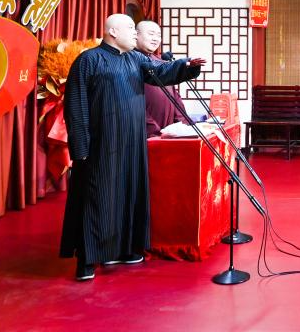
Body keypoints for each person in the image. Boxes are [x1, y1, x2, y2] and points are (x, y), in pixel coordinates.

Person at [60, 14, 205, 281]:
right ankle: (89, 258)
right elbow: (76, 107)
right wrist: (80, 148)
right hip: (101, 144)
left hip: (132, 142)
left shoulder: (136, 59)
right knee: (98, 199)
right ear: (113, 32)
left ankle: (126, 248)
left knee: (129, 195)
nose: (135, 34)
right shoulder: (89, 60)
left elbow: (162, 72)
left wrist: (186, 67)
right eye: (130, 28)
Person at [135, 20, 194, 138]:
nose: (155, 39)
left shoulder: (160, 62)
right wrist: (154, 131)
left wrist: (184, 124)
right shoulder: (129, 63)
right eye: (151, 34)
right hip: (145, 131)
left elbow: (175, 96)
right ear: (136, 34)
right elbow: (133, 104)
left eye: (159, 35)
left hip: (169, 132)